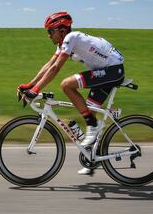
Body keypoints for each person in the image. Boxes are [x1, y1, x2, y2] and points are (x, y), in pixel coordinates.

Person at [18, 11, 125, 175]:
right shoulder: (63, 44)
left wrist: (36, 90)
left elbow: (55, 69)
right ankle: (92, 158)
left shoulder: (71, 38)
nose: (48, 35)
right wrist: (30, 85)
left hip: (112, 70)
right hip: (106, 71)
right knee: (89, 108)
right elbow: (49, 65)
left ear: (61, 30)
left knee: (67, 85)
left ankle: (93, 125)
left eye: (50, 31)